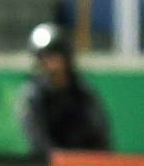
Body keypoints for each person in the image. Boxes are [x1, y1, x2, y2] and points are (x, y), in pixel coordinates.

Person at [19, 22, 111, 156]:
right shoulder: (33, 97)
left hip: (86, 165)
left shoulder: (83, 93)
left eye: (53, 57)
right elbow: (38, 141)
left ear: (66, 58)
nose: (49, 65)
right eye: (43, 59)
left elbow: (101, 137)